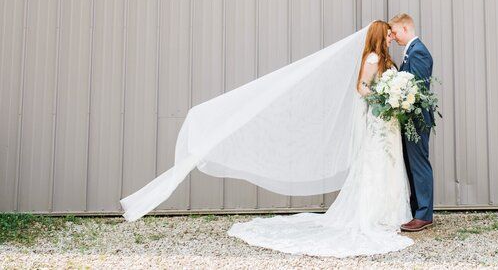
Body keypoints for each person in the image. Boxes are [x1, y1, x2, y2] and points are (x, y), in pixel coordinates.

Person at [119, 20, 417, 258]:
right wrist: (383, 96)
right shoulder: (373, 58)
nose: (392, 37)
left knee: (388, 165)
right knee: (375, 166)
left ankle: (389, 213)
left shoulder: (385, 59)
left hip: (386, 124)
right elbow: (361, 89)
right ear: (380, 35)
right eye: (388, 34)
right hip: (378, 121)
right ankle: (373, 215)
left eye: (394, 34)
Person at [389, 13, 434, 232]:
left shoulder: (419, 53)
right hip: (409, 118)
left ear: (406, 29)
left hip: (417, 119)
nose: (394, 37)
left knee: (419, 164)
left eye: (396, 32)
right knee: (411, 164)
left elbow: (416, 90)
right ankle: (417, 210)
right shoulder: (411, 52)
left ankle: (424, 214)